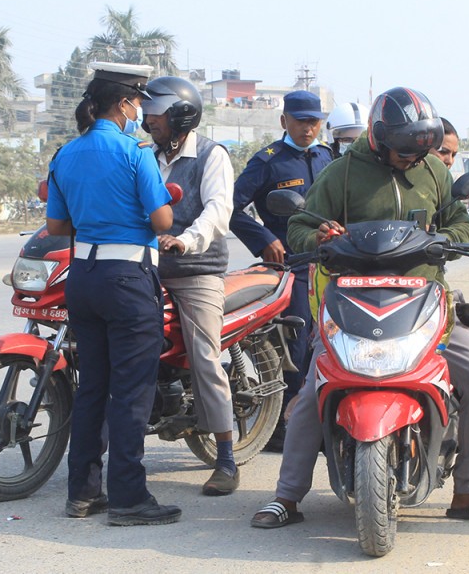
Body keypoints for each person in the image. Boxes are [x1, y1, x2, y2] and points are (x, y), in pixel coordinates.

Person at [250, 87, 469, 529]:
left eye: (420, 151)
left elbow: (458, 218)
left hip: (426, 297)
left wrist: (449, 237)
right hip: (353, 297)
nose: (413, 160)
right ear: (379, 137)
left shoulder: (432, 170)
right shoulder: (340, 174)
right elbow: (299, 226)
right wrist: (319, 237)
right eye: (405, 151)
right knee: (315, 389)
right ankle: (287, 497)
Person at [46, 62, 180, 526]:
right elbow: (162, 221)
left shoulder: (66, 154)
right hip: (128, 279)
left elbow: (56, 227)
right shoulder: (135, 150)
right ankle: (128, 498)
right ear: (123, 103)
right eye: (139, 101)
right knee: (131, 392)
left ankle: (82, 494)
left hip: (82, 278)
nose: (141, 110)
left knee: (92, 389)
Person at [143, 76, 241, 496]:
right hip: (147, 266)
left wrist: (185, 240)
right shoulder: (144, 154)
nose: (149, 119)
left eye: (157, 111)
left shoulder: (210, 155)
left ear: (181, 115)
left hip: (196, 269)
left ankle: (226, 458)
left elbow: (219, 210)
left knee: (205, 356)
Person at [229, 90, 333, 451]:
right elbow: (231, 208)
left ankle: (324, 419)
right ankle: (282, 428)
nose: (308, 127)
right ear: (284, 121)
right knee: (297, 343)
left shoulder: (328, 157)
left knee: (332, 342)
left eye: (314, 121)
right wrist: (263, 240)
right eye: (301, 120)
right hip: (291, 268)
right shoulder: (268, 161)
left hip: (330, 266)